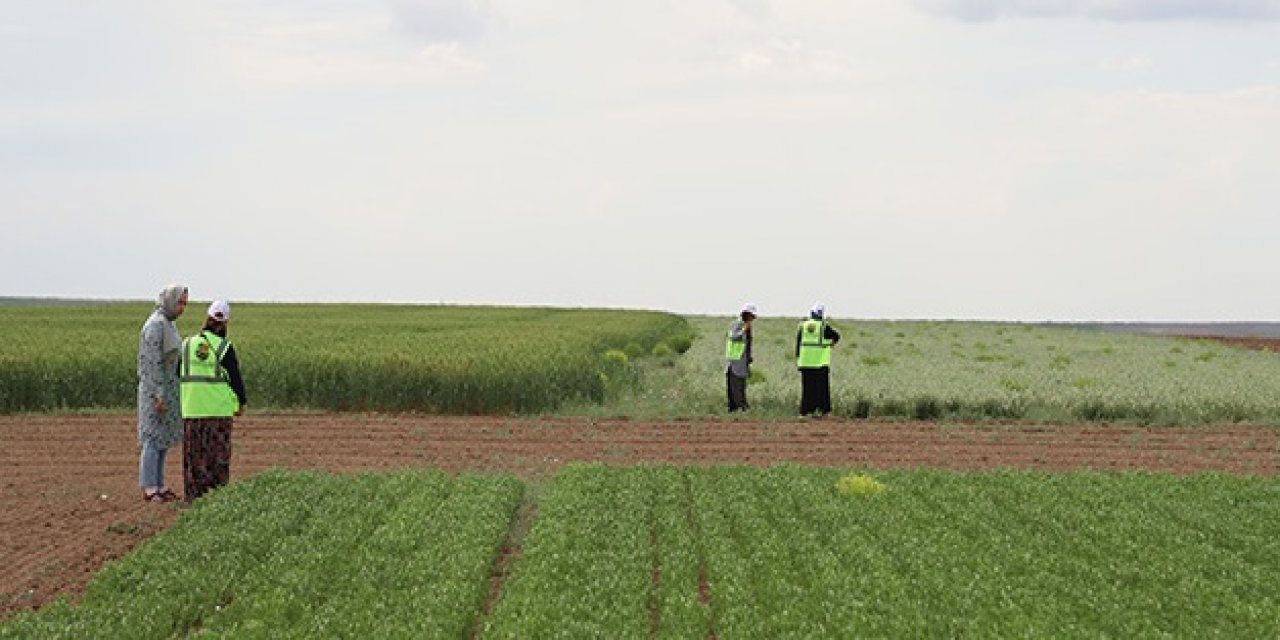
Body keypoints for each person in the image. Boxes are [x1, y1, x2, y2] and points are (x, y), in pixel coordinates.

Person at [180, 300, 247, 501]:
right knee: (217, 459)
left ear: (207, 318)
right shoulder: (225, 348)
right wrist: (241, 402)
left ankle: (193, 500)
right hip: (218, 412)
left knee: (194, 459)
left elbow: (178, 373)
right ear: (225, 323)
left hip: (192, 410)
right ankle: (216, 500)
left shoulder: (187, 344)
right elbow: (236, 380)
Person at [138, 284, 188, 503]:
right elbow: (153, 363)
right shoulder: (156, 326)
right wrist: (158, 394)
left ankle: (160, 484)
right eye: (180, 303)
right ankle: (149, 487)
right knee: (152, 438)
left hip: (168, 390)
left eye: (185, 304)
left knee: (163, 439)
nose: (182, 308)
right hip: (154, 391)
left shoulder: (168, 324)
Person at [796, 302, 840, 416]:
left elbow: (798, 344)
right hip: (820, 363)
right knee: (821, 389)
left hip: (805, 362)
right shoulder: (823, 326)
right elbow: (836, 336)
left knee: (807, 389)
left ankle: (805, 412)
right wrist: (831, 344)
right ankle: (823, 411)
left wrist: (798, 359)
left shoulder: (803, 326)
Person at [725, 303, 757, 412]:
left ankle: (741, 406)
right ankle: (737, 407)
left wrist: (749, 357)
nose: (752, 319)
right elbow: (734, 336)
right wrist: (744, 330)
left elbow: (748, 343)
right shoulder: (738, 324)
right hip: (735, 360)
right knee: (735, 385)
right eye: (751, 316)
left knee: (741, 385)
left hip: (742, 360)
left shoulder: (747, 327)